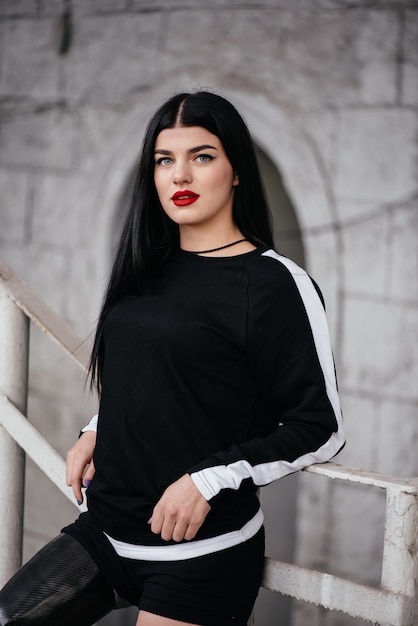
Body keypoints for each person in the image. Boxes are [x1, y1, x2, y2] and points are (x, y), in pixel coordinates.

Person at [0, 91, 345, 626]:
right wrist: (99, 427)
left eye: (202, 156)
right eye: (165, 160)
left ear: (236, 172)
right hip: (106, 530)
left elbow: (320, 427)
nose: (179, 175)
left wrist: (208, 480)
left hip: (199, 555)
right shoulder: (147, 264)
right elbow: (157, 376)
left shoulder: (276, 284)